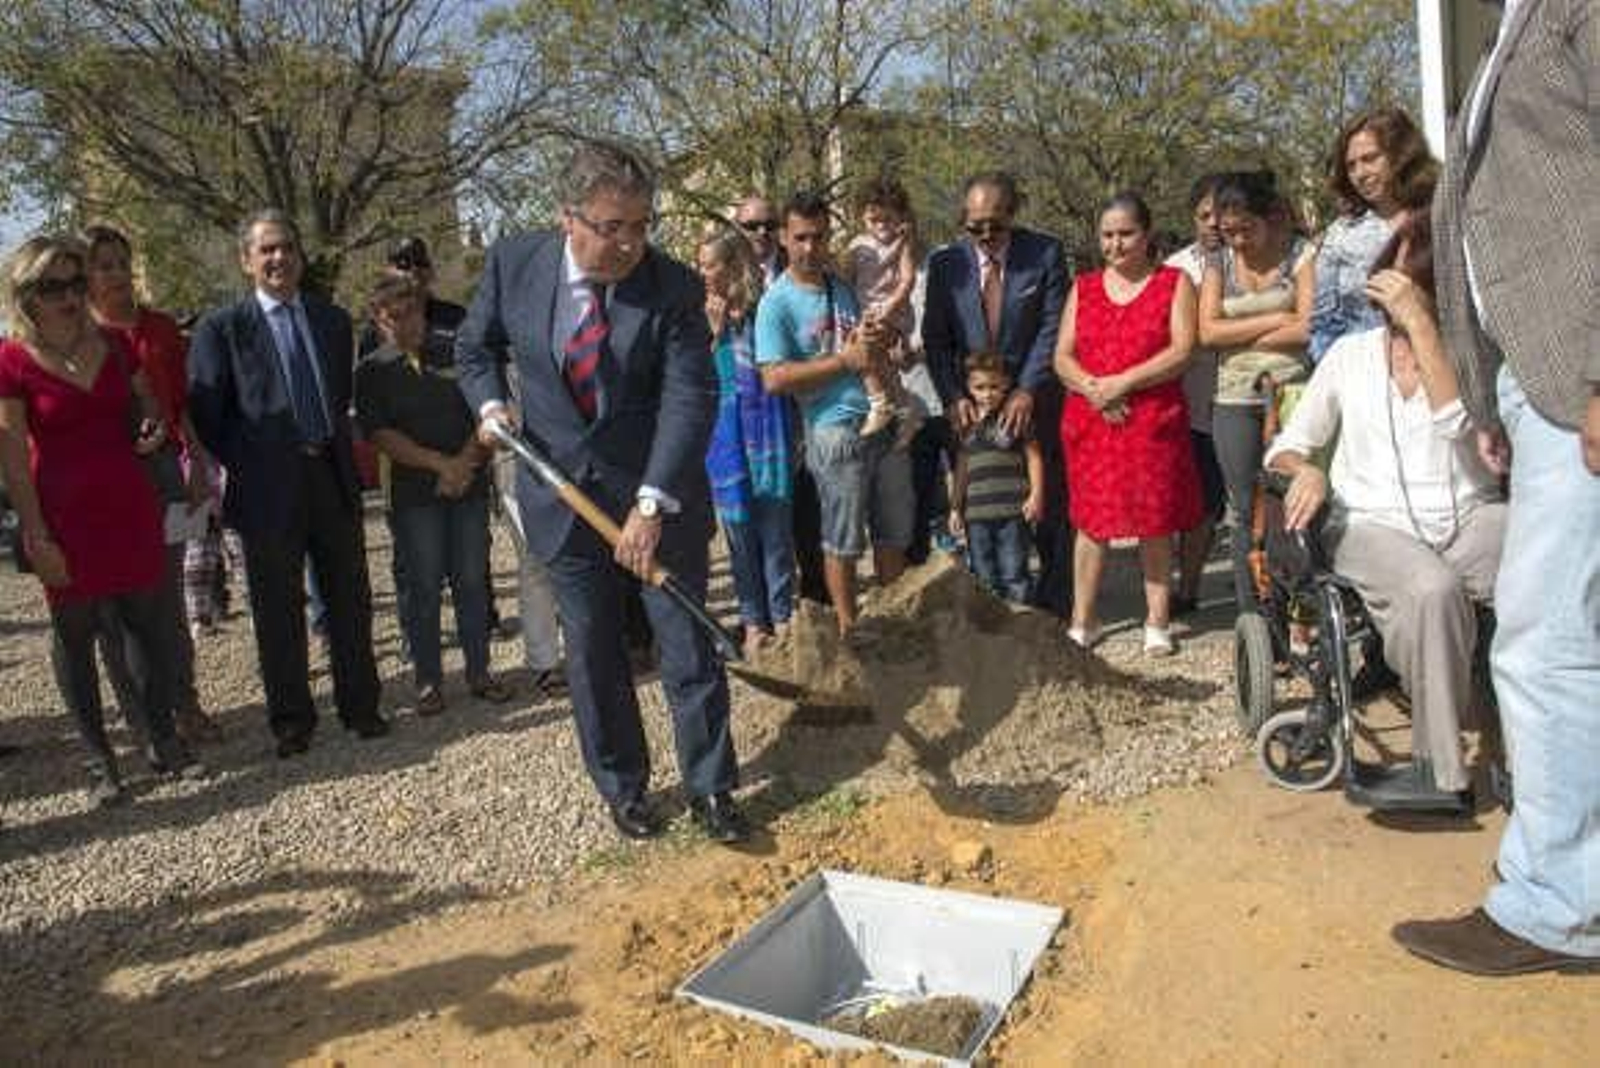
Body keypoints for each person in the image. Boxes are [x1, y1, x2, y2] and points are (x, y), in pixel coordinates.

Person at [458, 142, 747, 844]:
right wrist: (490, 403)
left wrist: (651, 504)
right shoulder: (514, 264)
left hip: (657, 494)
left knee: (685, 643)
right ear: (569, 217)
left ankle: (712, 788)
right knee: (592, 650)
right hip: (560, 495)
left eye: (641, 226)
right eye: (613, 227)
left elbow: (689, 397)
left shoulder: (672, 287)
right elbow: (473, 347)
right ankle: (624, 787)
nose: (629, 244)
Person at [1393, 0, 1599, 977]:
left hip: (1579, 371)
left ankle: (1561, 906)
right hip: (1537, 381)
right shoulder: (1515, 23)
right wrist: (1484, 393)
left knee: (1544, 638)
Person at [1269, 215, 1504, 813]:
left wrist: (1424, 330)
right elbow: (1287, 447)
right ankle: (1440, 769)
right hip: (1373, 521)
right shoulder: (1349, 356)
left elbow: (1463, 427)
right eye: (1389, 277)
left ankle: (1545, 753)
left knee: (1547, 566)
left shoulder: (1474, 352)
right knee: (1432, 589)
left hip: (1468, 512)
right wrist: (1308, 470)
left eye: (1410, 283)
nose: (1394, 292)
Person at [0, 235, 199, 803]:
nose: (68, 296)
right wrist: (35, 535)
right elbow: (13, 461)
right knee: (76, 636)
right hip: (63, 518)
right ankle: (99, 761)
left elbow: (147, 406)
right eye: (52, 287)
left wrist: (151, 428)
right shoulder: (10, 361)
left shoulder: (113, 344)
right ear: (26, 295)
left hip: (129, 504)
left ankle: (161, 741)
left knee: (148, 627)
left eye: (74, 283)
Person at [188, 209, 390, 758]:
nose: (279, 258)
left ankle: (361, 706)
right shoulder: (223, 329)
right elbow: (208, 415)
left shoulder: (332, 321)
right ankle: (292, 720)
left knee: (349, 599)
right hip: (265, 488)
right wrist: (257, 461)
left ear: (301, 256)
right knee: (277, 608)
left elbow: (338, 395)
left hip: (330, 474)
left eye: (287, 247)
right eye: (267, 250)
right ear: (246, 260)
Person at [81, 225, 221, 746]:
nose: (118, 274)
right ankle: (146, 716)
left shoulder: (161, 329)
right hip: (109, 483)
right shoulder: (79, 339)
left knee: (168, 597)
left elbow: (183, 406)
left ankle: (186, 703)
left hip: (165, 473)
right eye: (104, 265)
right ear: (84, 276)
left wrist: (199, 466)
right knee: (121, 607)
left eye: (122, 262)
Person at [355, 272, 512, 716]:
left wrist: (464, 463)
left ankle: (480, 672)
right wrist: (441, 465)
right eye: (394, 317)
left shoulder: (457, 351)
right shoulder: (371, 371)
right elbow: (381, 435)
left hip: (469, 485)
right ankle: (428, 680)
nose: (406, 323)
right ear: (378, 320)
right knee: (422, 587)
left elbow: (485, 411)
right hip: (414, 496)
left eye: (412, 312)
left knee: (472, 581)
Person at [756, 191, 911, 635]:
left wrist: (882, 339)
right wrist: (844, 362)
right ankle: (850, 631)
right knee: (842, 541)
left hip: (883, 421)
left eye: (819, 237)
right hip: (833, 429)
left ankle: (894, 627)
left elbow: (866, 346)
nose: (811, 247)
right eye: (801, 237)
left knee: (892, 534)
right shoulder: (776, 302)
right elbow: (774, 378)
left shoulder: (840, 285)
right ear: (784, 238)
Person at [1055, 193, 1202, 654]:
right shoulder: (1083, 286)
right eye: (1107, 235)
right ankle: (1083, 619)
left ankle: (1157, 620)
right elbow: (1062, 356)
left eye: (1126, 233)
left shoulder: (1174, 282)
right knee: (1091, 522)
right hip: (1092, 421)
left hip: (1151, 421)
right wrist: (1095, 389)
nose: (1115, 244)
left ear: (1147, 234)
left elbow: (1183, 350)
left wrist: (1124, 382)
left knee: (1154, 522)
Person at [922, 171, 1070, 616]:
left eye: (996, 224)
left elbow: (1053, 325)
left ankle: (1054, 603)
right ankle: (993, 607)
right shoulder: (946, 264)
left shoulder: (1045, 253)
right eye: (975, 226)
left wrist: (1026, 389)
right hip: (974, 404)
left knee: (1047, 503)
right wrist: (954, 396)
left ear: (1013, 213)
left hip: (1035, 397)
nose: (986, 235)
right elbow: (936, 339)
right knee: (986, 507)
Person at [1198, 170, 1315, 615]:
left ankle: (1302, 607)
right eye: (1229, 232)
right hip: (1234, 396)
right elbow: (1207, 333)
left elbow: (1308, 327)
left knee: (1293, 497)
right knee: (1245, 507)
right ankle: (1256, 613)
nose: (1239, 241)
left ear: (1270, 218)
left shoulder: (1299, 255)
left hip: (1292, 390)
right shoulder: (1218, 264)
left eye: (1247, 229)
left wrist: (1241, 334)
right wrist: (1276, 320)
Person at [697, 226, 795, 656]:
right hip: (725, 436)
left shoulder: (765, 308)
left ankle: (783, 616)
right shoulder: (696, 314)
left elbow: (781, 364)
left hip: (769, 432)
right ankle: (754, 621)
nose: (702, 273)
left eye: (710, 265)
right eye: (700, 265)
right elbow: (691, 378)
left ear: (733, 265)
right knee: (738, 534)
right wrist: (713, 333)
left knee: (775, 534)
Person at [1308, 107, 1438, 363]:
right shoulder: (1341, 234)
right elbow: (1323, 323)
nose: (1360, 174)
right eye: (1351, 166)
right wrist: (1340, 368)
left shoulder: (1440, 216)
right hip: (1364, 369)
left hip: (1438, 364)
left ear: (1401, 155)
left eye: (1369, 159)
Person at [1166, 174, 1228, 614]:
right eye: (1204, 215)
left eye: (1221, 214)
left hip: (1248, 397)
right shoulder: (1175, 269)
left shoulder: (1253, 258)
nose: (1213, 223)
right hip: (1191, 406)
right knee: (1199, 504)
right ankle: (1187, 589)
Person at [948, 352, 1043, 604]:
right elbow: (961, 468)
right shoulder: (965, 423)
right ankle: (993, 624)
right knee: (983, 576)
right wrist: (955, 507)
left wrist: (1036, 495)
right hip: (976, 516)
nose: (987, 394)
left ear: (1006, 385)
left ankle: (1021, 620)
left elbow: (1034, 457)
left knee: (1015, 574)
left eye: (994, 387)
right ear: (968, 388)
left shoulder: (1015, 418)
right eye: (979, 388)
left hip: (1013, 512)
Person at [840, 176, 923, 445]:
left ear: (899, 216)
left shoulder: (903, 243)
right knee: (873, 358)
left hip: (892, 311)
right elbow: (846, 279)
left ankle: (881, 403)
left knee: (865, 348)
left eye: (887, 219)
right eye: (873, 220)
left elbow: (908, 279)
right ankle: (903, 408)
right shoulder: (857, 245)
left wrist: (891, 305)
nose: (881, 226)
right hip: (866, 312)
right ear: (862, 218)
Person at [733, 195, 785, 286]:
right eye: (752, 226)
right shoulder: (721, 268)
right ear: (736, 228)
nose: (762, 232)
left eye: (769, 225)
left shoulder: (797, 268)